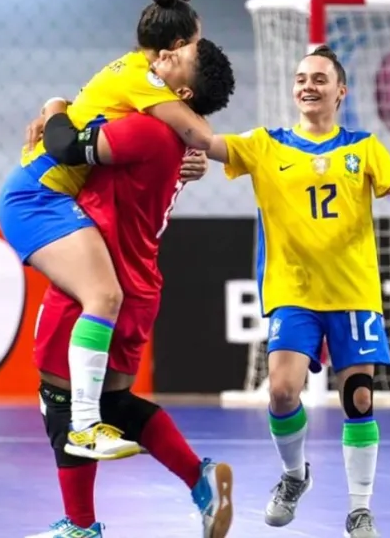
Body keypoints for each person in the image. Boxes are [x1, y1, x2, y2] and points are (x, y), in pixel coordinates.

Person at [203, 45, 390, 538]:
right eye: (302, 78)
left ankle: (359, 508)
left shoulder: (363, 146)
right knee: (282, 391)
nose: (308, 85)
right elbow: (206, 141)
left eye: (320, 79)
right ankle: (294, 475)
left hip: (352, 293)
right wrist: (162, 113)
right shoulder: (265, 144)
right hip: (294, 292)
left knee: (359, 399)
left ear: (340, 91)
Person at [0, 0, 227, 461]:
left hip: (55, 198)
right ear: (169, 49)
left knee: (103, 304)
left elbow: (178, 136)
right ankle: (85, 427)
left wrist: (55, 104)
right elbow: (199, 133)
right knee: (102, 296)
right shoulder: (145, 82)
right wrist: (252, 154)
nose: (189, 50)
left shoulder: (140, 88)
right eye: (191, 45)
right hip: (37, 197)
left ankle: (86, 445)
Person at [25, 42, 236, 538]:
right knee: (112, 404)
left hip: (95, 275)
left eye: (173, 58)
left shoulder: (145, 129)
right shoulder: (180, 141)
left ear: (179, 90)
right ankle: (198, 477)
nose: (158, 57)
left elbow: (65, 143)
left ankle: (79, 527)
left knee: (60, 398)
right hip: (141, 283)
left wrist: (55, 106)